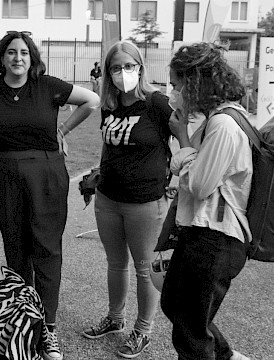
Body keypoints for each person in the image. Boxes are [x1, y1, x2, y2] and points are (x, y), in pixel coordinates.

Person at [0, 30, 100, 360]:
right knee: (15, 248)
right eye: (11, 52)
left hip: (45, 172)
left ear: (32, 58)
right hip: (4, 171)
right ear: (1, 57)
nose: (18, 58)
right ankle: (20, 322)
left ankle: (48, 329)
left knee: (46, 248)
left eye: (24, 53)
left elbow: (92, 100)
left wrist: (62, 129)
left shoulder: (47, 86)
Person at [80, 41, 172, 359]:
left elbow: (186, 137)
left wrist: (177, 173)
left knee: (145, 268)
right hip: (108, 198)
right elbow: (111, 144)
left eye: (128, 65)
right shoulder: (109, 104)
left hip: (145, 202)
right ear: (108, 72)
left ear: (140, 67)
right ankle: (115, 319)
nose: (122, 73)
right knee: (115, 264)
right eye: (116, 67)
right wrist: (97, 174)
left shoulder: (156, 103)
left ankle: (143, 330)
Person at [161, 42, 252, 360]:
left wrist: (182, 137)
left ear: (193, 81)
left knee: (190, 333)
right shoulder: (214, 119)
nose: (172, 92)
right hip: (201, 231)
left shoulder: (223, 125)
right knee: (173, 304)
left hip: (217, 237)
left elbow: (199, 185)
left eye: (175, 84)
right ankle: (226, 356)